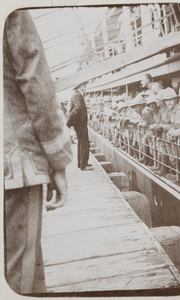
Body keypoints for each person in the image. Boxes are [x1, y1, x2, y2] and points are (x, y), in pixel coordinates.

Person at [4, 10, 73, 294]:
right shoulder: (12, 14)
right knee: (21, 274)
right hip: (15, 163)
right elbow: (37, 85)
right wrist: (58, 162)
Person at [66, 81, 94, 171]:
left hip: (79, 123)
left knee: (81, 143)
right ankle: (84, 165)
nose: (86, 86)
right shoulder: (77, 95)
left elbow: (77, 108)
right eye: (84, 85)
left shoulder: (76, 95)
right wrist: (71, 121)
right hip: (80, 123)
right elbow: (77, 108)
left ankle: (81, 163)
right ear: (80, 86)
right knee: (84, 143)